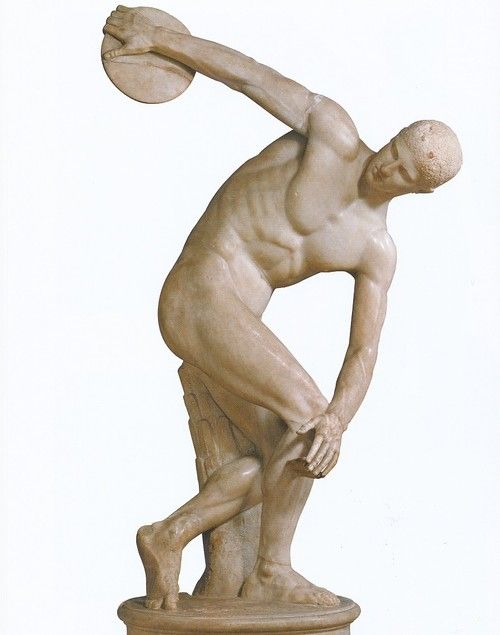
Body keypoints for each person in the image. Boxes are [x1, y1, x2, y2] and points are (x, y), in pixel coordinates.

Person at [103, 6, 462, 611]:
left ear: (419, 191)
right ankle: (272, 571)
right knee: (305, 413)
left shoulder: (374, 249)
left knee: (293, 449)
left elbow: (364, 349)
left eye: (404, 172)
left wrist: (337, 421)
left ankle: (167, 536)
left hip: (233, 326)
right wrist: (158, 38)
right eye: (396, 148)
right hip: (198, 289)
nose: (387, 165)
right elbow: (248, 76)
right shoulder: (333, 133)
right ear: (395, 134)